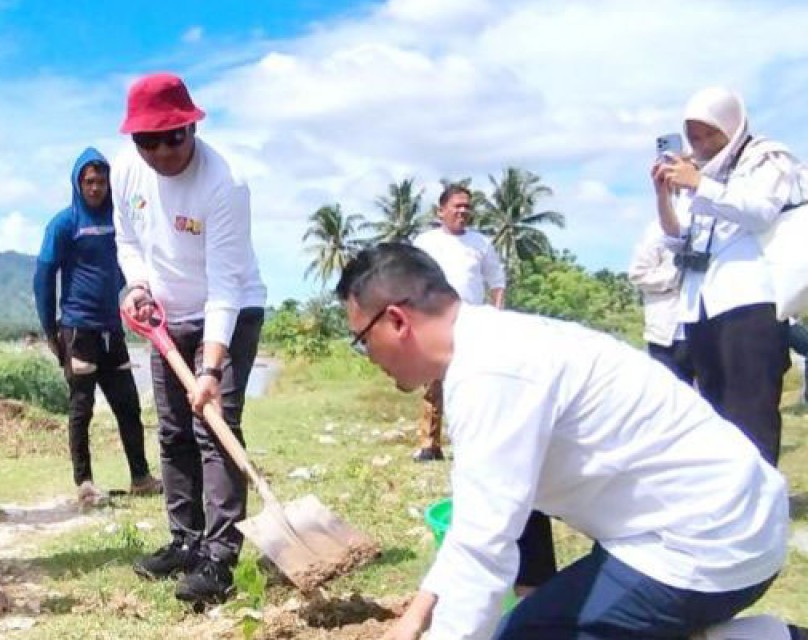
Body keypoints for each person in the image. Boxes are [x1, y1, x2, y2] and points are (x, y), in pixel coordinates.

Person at [336, 244, 797, 640]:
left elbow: (484, 550)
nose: (368, 357)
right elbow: (477, 520)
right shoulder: (496, 343)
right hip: (715, 520)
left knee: (529, 635)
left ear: (396, 320)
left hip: (710, 544)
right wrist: (417, 616)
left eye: (362, 340)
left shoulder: (491, 373)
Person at [113, 73, 267, 605]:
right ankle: (186, 538)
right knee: (175, 430)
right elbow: (128, 239)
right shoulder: (127, 172)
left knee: (215, 428)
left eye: (172, 136)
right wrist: (136, 285)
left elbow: (225, 285)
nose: (160, 151)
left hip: (229, 311)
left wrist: (210, 369)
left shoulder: (224, 183)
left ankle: (220, 559)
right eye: (146, 140)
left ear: (191, 126)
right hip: (166, 314)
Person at [652, 87, 799, 465]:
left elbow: (760, 210)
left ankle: (762, 508)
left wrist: (701, 184)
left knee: (751, 411)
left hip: (749, 300)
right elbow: (676, 239)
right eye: (694, 136)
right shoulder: (697, 172)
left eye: (709, 134)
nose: (701, 144)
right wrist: (664, 195)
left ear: (731, 128)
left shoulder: (767, 158)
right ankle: (730, 509)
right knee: (714, 416)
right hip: (700, 305)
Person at [33, 147, 160, 504]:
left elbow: (132, 261)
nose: (95, 188)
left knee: (128, 405)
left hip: (112, 329)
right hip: (78, 330)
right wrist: (51, 331)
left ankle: (140, 476)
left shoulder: (119, 222)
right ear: (78, 183)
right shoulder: (64, 223)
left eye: (101, 181)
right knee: (82, 407)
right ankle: (85, 484)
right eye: (89, 181)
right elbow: (43, 277)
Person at [410, 185, 505, 462]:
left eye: (467, 206)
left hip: (472, 323)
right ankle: (430, 444)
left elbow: (497, 281)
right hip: (434, 321)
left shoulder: (480, 243)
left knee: (475, 382)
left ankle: (473, 443)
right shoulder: (426, 242)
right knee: (433, 384)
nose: (463, 211)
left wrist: (497, 314)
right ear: (441, 211)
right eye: (456, 206)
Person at [628, 220, 695, 384]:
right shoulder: (656, 229)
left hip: (709, 331)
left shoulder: (716, 227)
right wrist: (678, 277)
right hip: (666, 335)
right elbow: (638, 274)